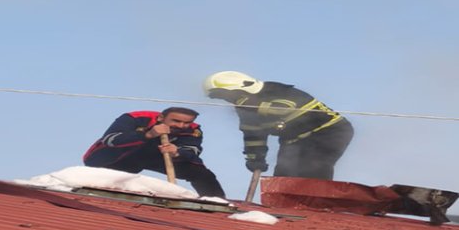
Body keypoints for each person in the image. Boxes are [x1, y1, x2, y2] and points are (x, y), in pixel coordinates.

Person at [203, 71, 353, 180]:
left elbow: (283, 109)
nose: (227, 100)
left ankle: (318, 206)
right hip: (292, 139)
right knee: (283, 175)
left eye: (226, 95)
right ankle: (286, 208)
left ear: (242, 88)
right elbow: (253, 134)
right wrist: (255, 158)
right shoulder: (244, 109)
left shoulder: (277, 90)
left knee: (314, 167)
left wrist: (251, 104)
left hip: (329, 132)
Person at [83, 107, 227, 198]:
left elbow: (193, 150)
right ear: (160, 118)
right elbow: (110, 140)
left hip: (157, 155)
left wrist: (177, 152)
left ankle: (216, 202)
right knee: (119, 175)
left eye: (186, 123)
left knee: (201, 172)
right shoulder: (135, 118)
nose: (181, 126)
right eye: (176, 121)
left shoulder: (193, 130)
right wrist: (148, 135)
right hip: (118, 156)